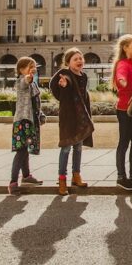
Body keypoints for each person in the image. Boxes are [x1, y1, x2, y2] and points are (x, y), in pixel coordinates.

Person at [50, 48, 93, 195]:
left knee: (79, 147)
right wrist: (62, 86)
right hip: (68, 117)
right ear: (68, 62)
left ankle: (76, 175)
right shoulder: (64, 74)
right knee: (66, 147)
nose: (79, 61)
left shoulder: (84, 76)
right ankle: (62, 179)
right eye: (76, 59)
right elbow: (55, 85)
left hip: (80, 116)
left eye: (81, 58)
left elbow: (84, 94)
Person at [111, 34, 132, 191]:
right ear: (125, 48)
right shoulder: (123, 63)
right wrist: (122, 81)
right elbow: (120, 75)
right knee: (124, 143)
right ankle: (121, 176)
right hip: (125, 110)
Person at [8, 57, 44, 195]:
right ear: (21, 70)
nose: (34, 69)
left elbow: (35, 102)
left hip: (30, 121)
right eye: (30, 66)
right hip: (23, 121)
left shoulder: (33, 84)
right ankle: (13, 182)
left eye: (35, 66)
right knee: (21, 151)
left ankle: (27, 176)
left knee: (25, 149)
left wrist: (40, 115)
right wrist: (28, 77)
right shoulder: (20, 82)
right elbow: (24, 83)